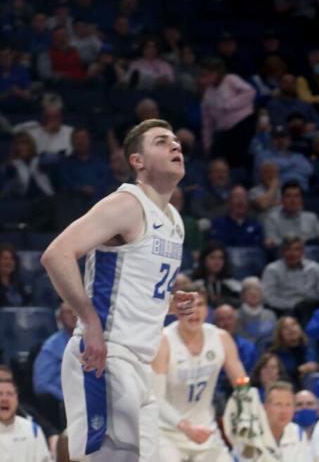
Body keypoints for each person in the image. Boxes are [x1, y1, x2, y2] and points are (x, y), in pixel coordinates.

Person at [40, 119, 198, 461]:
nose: (175, 146)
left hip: (140, 364)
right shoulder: (127, 204)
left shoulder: (174, 219)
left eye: (175, 141)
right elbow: (56, 255)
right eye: (161, 142)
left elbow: (131, 289)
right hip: (106, 355)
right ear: (137, 161)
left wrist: (171, 304)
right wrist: (90, 322)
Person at [152, 283, 251, 462]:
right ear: (177, 309)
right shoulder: (164, 342)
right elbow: (155, 398)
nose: (195, 311)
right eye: (189, 305)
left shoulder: (221, 338)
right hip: (168, 432)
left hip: (206, 431)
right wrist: (185, 427)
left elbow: (242, 382)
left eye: (200, 304)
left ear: (208, 309)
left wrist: (246, 408)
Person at [222, 381, 311, 462]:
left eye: (288, 405)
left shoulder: (298, 433)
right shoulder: (250, 432)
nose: (284, 411)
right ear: (265, 407)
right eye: (278, 404)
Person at [33, 303, 76, 434]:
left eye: (77, 311)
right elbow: (41, 384)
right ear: (60, 318)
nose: (74, 316)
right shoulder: (51, 347)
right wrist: (65, 397)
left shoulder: (93, 342)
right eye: (69, 312)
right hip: (64, 402)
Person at [262, 237, 319, 313]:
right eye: (288, 249)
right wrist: (294, 305)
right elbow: (268, 298)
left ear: (302, 252)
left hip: (312, 307)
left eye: (296, 249)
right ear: (282, 252)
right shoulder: (272, 270)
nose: (292, 253)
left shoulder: (314, 268)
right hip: (285, 310)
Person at [0, 375, 52, 462]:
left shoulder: (33, 430)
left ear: (17, 400)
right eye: (0, 394)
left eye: (9, 394)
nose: (4, 399)